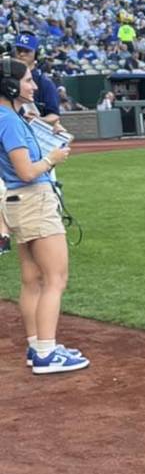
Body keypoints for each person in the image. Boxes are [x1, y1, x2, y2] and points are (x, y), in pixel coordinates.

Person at [0, 57, 89, 375]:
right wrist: (52, 158)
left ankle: (38, 345)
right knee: (55, 278)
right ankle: (47, 354)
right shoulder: (8, 119)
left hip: (17, 202)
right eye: (27, 81)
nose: (34, 86)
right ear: (10, 85)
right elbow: (26, 171)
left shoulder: (10, 115)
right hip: (33, 199)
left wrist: (51, 136)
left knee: (32, 280)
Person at [11, 34, 61, 117]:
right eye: (19, 50)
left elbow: (54, 116)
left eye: (26, 51)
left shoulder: (44, 82)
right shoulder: (5, 78)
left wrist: (35, 121)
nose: (22, 54)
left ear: (36, 54)